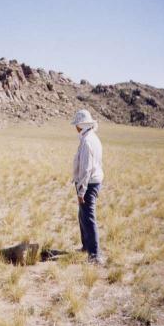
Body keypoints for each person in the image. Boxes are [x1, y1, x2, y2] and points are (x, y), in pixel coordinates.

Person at [71, 109, 104, 265]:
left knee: (89, 218)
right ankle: (86, 246)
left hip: (89, 184)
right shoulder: (91, 138)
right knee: (83, 216)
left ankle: (95, 255)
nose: (75, 128)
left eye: (77, 125)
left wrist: (81, 190)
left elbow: (86, 169)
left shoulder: (87, 141)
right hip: (92, 182)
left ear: (82, 125)